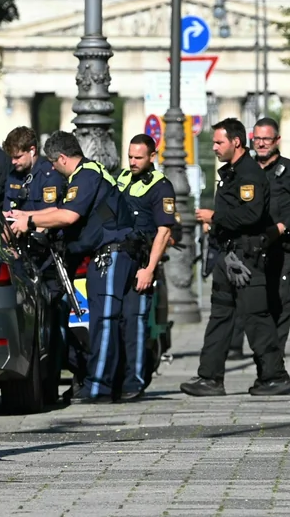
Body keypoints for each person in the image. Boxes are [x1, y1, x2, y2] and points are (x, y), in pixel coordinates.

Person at [10, 132, 140, 403]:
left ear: (62, 158)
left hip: (112, 253)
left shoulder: (86, 175)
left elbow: (68, 216)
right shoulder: (85, 174)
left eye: (52, 163)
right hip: (104, 254)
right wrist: (26, 215)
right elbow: (60, 210)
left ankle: (99, 386)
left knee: (104, 321)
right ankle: (104, 382)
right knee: (104, 320)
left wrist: (30, 223)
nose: (52, 168)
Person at [184, 118, 290, 397]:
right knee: (220, 316)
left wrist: (215, 217)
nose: (214, 147)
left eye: (219, 142)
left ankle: (274, 377)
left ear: (236, 142)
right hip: (228, 254)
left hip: (247, 257)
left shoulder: (249, 174)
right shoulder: (231, 173)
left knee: (256, 317)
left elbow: (251, 215)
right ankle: (209, 377)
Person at [228, 117, 290, 359]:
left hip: (284, 251)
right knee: (249, 307)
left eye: (266, 139)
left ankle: (273, 365)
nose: (261, 143)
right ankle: (245, 352)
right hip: (251, 253)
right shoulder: (242, 171)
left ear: (277, 140)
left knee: (280, 309)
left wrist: (282, 227)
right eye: (257, 139)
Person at [1, 126, 78, 397]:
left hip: (47, 258)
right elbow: (7, 210)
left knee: (53, 321)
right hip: (22, 257)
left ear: (32, 151)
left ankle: (51, 384)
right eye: (11, 157)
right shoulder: (14, 175)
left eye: (18, 156)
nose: (14, 162)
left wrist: (29, 222)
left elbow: (55, 212)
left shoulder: (49, 174)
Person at [116, 134, 177, 396]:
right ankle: (114, 379)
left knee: (134, 321)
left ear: (152, 156)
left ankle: (135, 381)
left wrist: (149, 269)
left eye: (138, 158)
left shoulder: (161, 187)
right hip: (118, 261)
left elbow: (164, 232)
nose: (132, 162)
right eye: (130, 156)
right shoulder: (121, 179)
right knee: (114, 321)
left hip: (142, 264)